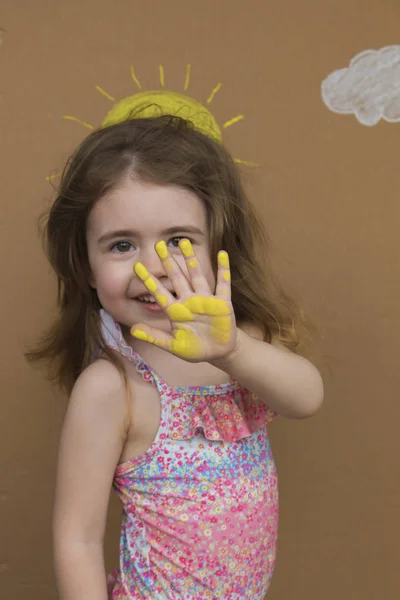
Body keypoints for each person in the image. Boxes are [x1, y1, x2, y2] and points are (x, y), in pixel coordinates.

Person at [27, 115, 324, 600]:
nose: (152, 269)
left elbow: (306, 398)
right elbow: (77, 540)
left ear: (217, 247)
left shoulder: (243, 343)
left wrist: (233, 351)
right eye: (122, 245)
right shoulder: (113, 387)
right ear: (86, 266)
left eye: (179, 241)